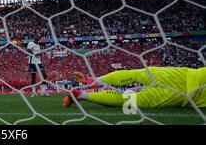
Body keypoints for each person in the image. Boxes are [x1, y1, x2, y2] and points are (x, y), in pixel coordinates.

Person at [62, 67, 206, 108]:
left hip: (181, 74)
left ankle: (94, 82)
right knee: (128, 100)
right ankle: (83, 95)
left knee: (134, 74)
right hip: (187, 95)